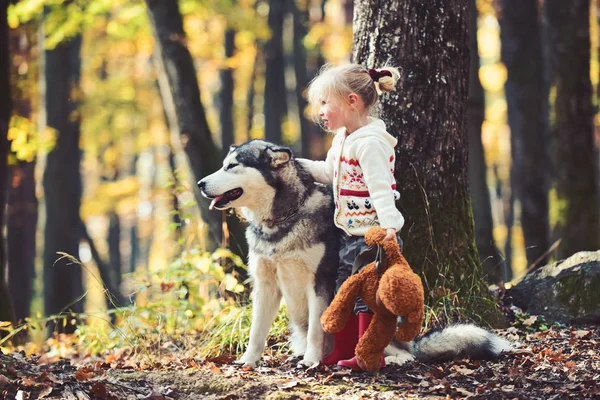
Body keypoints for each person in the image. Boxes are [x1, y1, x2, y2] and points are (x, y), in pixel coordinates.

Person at [298, 63, 405, 371]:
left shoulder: (370, 143)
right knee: (344, 289)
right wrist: (292, 165)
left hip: (372, 237)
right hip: (349, 234)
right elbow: (327, 172)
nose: (320, 111)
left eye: (325, 103)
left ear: (351, 101)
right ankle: (340, 351)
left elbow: (381, 189)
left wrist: (389, 227)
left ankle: (368, 354)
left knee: (368, 297)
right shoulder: (343, 138)